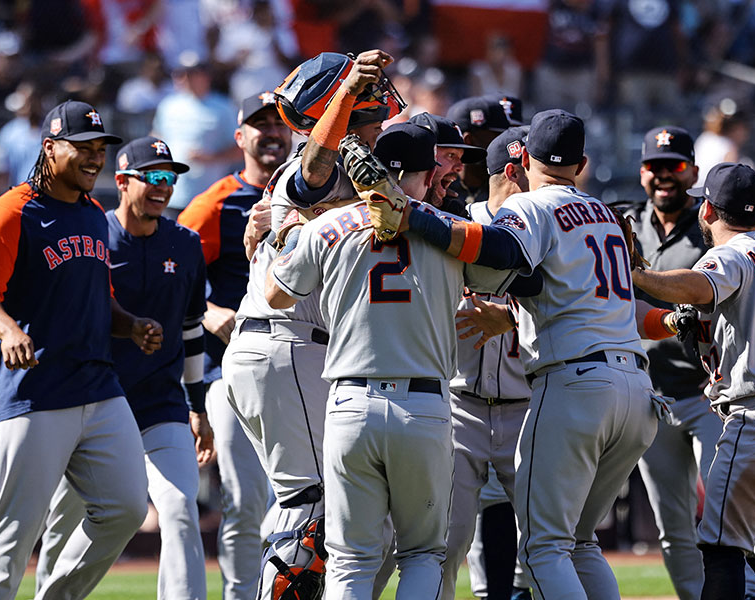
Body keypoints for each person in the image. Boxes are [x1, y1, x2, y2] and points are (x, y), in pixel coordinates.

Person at [397, 109, 666, 598]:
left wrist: (414, 214)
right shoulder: (606, 213)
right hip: (638, 388)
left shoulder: (532, 205)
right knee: (580, 543)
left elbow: (501, 252)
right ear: (581, 163)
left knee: (543, 548)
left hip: (577, 385)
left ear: (521, 157)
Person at [265, 121, 512, 600]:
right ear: (424, 173)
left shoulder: (329, 224)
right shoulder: (447, 229)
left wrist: (287, 234)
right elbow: (509, 266)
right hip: (423, 405)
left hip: (349, 404)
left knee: (352, 559)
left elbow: (277, 294)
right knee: (422, 554)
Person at [0, 100, 163, 600]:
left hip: (97, 384)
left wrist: (131, 325)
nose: (95, 158)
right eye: (83, 149)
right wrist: (9, 330)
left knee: (125, 508)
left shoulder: (94, 214)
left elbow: (102, 297)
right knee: (14, 533)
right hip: (33, 392)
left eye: (101, 149)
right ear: (50, 148)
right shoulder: (8, 212)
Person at [223, 50, 401, 600]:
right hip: (287, 343)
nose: (378, 125)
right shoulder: (315, 167)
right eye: (367, 114)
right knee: (312, 504)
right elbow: (312, 175)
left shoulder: (334, 172)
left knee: (321, 505)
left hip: (288, 348)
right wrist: (346, 92)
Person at [631, 162, 755, 600]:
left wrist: (639, 276)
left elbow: (701, 285)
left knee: (719, 549)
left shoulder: (730, 253)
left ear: (706, 210)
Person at [34, 136, 214, 600]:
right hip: (90, 401)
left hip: (160, 405)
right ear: (122, 181)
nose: (163, 186)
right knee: (64, 521)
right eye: (153, 175)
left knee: (179, 509)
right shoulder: (92, 235)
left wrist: (198, 406)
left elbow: (192, 330)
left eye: (170, 177)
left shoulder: (186, 244)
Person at [625, 126, 755, 600]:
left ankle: (744, 594)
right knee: (672, 525)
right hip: (652, 392)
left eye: (675, 166)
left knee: (725, 517)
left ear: (694, 173)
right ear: (642, 172)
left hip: (710, 395)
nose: (664, 176)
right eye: (655, 166)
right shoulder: (626, 224)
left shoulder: (713, 227)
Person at [176, 89, 289, 600]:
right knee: (245, 501)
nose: (271, 132)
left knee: (307, 499)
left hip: (306, 366)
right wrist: (207, 310)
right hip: (231, 372)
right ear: (239, 136)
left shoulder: (316, 193)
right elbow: (170, 271)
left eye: (279, 124)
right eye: (260, 124)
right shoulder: (216, 202)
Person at [439, 125, 532, 600]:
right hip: (458, 405)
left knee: (550, 544)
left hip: (526, 405)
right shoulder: (456, 221)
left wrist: (512, 316)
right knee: (444, 543)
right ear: (513, 170)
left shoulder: (550, 225)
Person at [152, 51, 240, 215]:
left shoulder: (224, 107)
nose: (184, 78)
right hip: (172, 193)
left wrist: (211, 158)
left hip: (209, 195)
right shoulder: (168, 105)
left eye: (191, 73)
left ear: (205, 76)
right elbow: (156, 136)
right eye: (180, 73)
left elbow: (240, 149)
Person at [408, 112, 485, 217]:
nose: (460, 167)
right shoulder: (383, 202)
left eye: (460, 158)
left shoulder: (450, 209)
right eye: (451, 155)